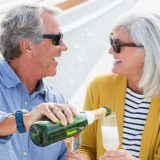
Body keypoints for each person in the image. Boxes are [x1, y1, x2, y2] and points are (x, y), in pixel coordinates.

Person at [67, 11, 160, 160]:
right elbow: (87, 147)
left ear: (148, 51)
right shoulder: (99, 87)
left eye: (117, 45)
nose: (110, 51)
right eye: (111, 42)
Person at [0, 4, 77, 160]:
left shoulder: (57, 101)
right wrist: (27, 119)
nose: (64, 47)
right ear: (27, 46)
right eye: (57, 39)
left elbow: (64, 154)